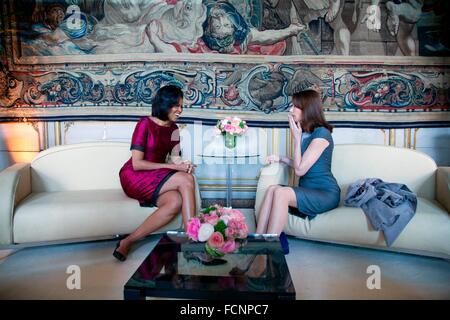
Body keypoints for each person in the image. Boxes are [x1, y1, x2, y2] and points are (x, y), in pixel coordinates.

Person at [113, 85, 197, 261]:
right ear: (165, 104)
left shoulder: (174, 128)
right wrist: (176, 169)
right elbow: (137, 164)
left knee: (175, 202)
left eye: (182, 106)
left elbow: (175, 158)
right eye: (176, 105)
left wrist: (184, 164)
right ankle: (192, 241)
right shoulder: (145, 124)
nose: (180, 110)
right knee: (186, 180)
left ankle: (127, 242)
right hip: (134, 177)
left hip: (155, 176)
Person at [256, 89, 341, 254]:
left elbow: (300, 170)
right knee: (273, 189)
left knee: (282, 193)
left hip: (325, 193)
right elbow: (301, 164)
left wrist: (296, 138)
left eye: (295, 106)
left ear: (307, 109)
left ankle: (269, 248)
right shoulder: (307, 133)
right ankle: (257, 242)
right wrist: (280, 158)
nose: (290, 110)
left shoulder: (322, 134)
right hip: (309, 190)